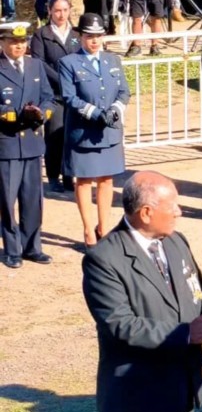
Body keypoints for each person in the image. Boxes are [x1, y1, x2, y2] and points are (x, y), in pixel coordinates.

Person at [82, 172, 202, 412]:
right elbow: (120, 324)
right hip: (136, 402)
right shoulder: (104, 260)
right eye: (172, 205)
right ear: (146, 212)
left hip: (180, 393)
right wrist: (189, 333)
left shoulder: (176, 242)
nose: (179, 211)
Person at [59, 13, 129, 248]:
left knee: (107, 180)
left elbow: (124, 91)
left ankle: (104, 227)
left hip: (108, 131)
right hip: (83, 130)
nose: (95, 41)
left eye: (98, 36)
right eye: (90, 36)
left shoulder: (113, 61)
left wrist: (115, 110)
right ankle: (89, 231)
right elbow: (69, 97)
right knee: (84, 180)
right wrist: (95, 113)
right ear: (81, 36)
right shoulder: (68, 63)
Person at [0, 23, 54, 269]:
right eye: (13, 42)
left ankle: (33, 247)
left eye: (22, 42)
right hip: (8, 144)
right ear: (2, 43)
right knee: (7, 201)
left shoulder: (35, 66)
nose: (19, 46)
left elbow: (48, 97)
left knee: (33, 199)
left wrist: (41, 113)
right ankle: (13, 250)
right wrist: (13, 114)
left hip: (32, 143)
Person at [31, 0, 78, 194]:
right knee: (54, 136)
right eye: (57, 10)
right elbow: (39, 62)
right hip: (54, 95)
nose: (61, 14)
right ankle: (53, 176)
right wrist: (62, 80)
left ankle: (69, 176)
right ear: (49, 10)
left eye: (65, 10)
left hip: (75, 95)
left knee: (72, 137)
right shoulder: (41, 35)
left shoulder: (76, 33)